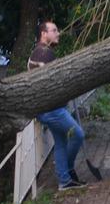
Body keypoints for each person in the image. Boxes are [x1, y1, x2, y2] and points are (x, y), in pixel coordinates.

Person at [28, 21, 86, 191]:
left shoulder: (38, 52)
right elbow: (56, 81)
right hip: (52, 109)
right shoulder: (45, 54)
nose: (57, 33)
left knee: (60, 143)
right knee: (78, 135)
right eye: (53, 30)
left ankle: (64, 181)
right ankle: (67, 171)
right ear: (43, 34)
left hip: (47, 108)